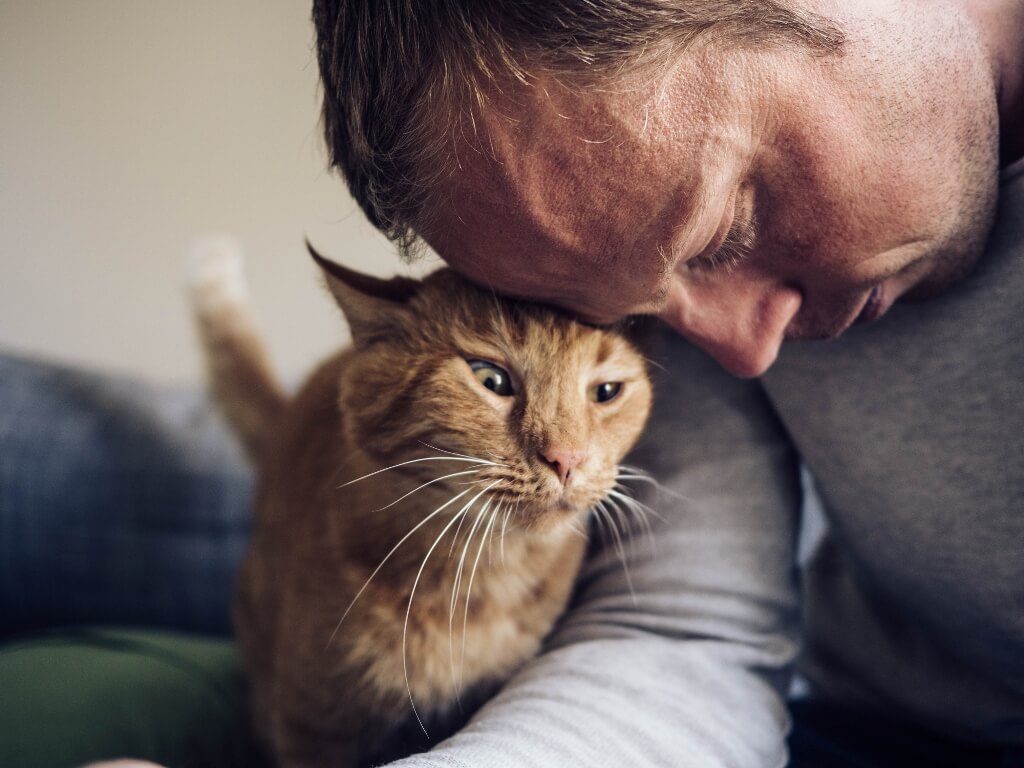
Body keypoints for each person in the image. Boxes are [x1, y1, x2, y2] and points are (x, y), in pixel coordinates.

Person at [310, 1, 1024, 766]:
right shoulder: (691, 310)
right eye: (639, 316)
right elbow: (688, 633)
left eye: (721, 237)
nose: (743, 352)